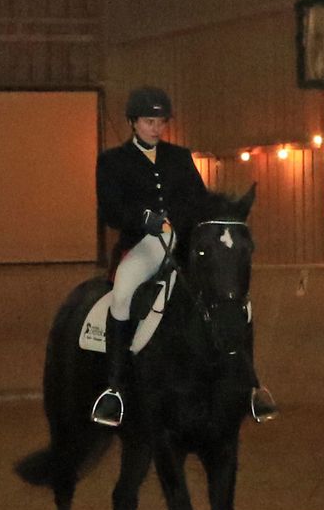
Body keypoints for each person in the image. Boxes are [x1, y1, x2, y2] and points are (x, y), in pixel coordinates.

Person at [91, 86, 277, 428]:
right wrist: (143, 218)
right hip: (145, 242)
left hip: (186, 240)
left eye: (161, 122)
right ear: (133, 123)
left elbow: (199, 200)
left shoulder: (179, 157)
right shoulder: (113, 161)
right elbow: (110, 209)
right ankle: (114, 389)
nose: (156, 128)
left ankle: (252, 384)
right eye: (149, 122)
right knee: (123, 292)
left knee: (233, 294)